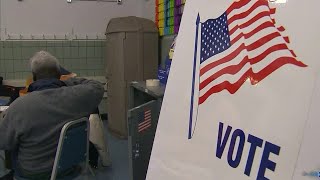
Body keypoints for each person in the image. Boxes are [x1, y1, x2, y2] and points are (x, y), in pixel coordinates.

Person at [0, 51, 107, 179]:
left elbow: (4, 142)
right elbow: (97, 86)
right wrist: (67, 80)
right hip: (69, 167)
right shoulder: (77, 97)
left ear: (34, 77)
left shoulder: (19, 106)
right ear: (59, 74)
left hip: (33, 172)